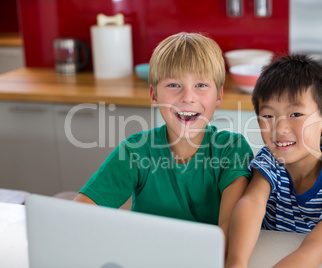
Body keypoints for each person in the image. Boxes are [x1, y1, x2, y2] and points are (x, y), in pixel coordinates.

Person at [74, 32, 253, 245]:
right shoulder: (134, 151)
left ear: (219, 96)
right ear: (154, 96)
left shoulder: (232, 149)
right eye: (174, 85)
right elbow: (78, 217)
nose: (188, 97)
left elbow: (230, 231)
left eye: (201, 85)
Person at [226, 54, 322, 268]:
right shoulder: (269, 162)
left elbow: (314, 249)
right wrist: (235, 264)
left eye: (295, 114)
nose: (280, 129)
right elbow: (251, 203)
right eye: (268, 116)